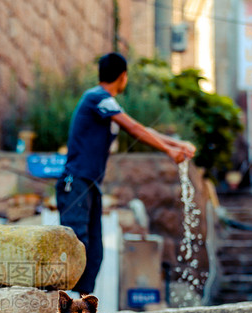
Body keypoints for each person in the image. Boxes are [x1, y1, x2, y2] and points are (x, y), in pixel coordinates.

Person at [56, 52, 196, 295]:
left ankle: (83, 309)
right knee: (76, 248)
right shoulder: (97, 97)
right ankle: (64, 310)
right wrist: (169, 151)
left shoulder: (105, 103)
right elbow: (133, 127)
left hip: (89, 186)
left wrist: (176, 145)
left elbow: (140, 127)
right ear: (123, 77)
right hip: (76, 183)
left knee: (94, 253)